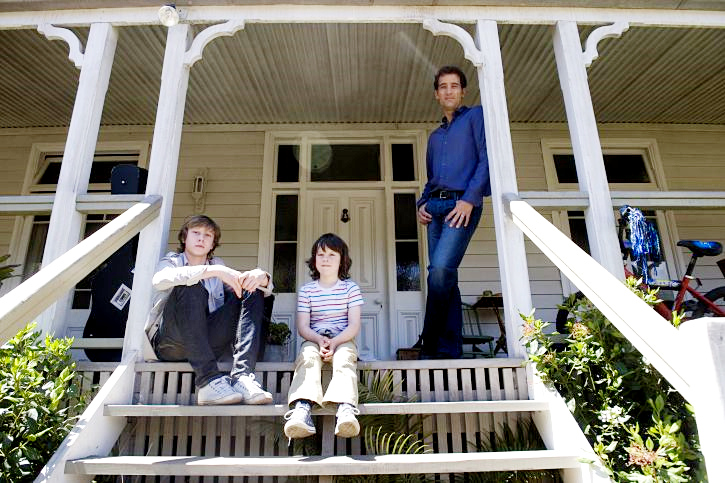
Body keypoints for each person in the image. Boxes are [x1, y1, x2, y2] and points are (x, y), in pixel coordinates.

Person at [145, 215, 274, 406]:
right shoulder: (173, 260)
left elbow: (248, 288)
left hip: (207, 342)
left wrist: (262, 277)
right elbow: (159, 280)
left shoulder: (218, 266)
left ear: (213, 243)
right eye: (196, 233)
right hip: (172, 343)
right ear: (184, 237)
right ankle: (208, 381)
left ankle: (242, 377)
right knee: (190, 286)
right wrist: (212, 272)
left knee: (251, 291)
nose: (201, 238)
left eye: (208, 235)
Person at [416, 65, 491, 359]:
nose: (449, 91)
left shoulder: (475, 117)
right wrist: (421, 204)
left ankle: (430, 343)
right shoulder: (434, 137)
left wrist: (470, 199)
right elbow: (431, 179)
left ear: (462, 91)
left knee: (440, 271)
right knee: (446, 278)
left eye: (454, 86)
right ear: (437, 94)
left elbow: (487, 159)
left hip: (461, 206)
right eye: (443, 86)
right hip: (435, 208)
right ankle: (449, 349)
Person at [283, 233, 364, 440]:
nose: (325, 259)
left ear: (342, 260)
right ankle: (302, 408)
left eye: (331, 254)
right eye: (320, 254)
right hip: (313, 338)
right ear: (314, 260)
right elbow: (303, 326)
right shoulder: (307, 290)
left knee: (344, 358)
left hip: (343, 338)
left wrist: (335, 342)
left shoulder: (350, 289)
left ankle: (346, 409)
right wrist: (319, 340)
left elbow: (354, 325)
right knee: (308, 357)